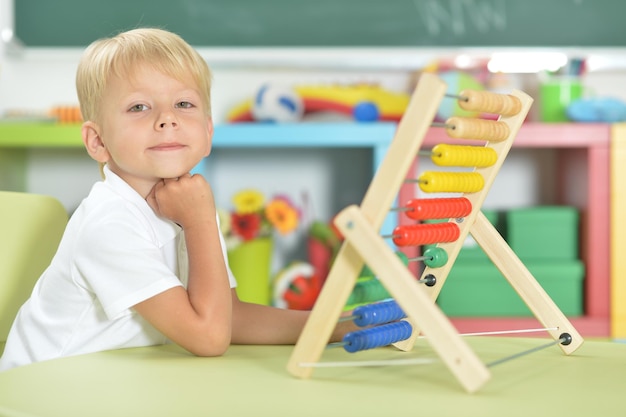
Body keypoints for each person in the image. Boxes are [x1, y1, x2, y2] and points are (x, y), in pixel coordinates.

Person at [0, 27, 355, 371]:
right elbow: (209, 337)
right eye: (139, 107)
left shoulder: (186, 201)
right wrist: (200, 220)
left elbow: (230, 317)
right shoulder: (110, 222)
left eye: (184, 103)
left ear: (208, 130)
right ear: (98, 142)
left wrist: (334, 325)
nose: (167, 119)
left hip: (112, 381)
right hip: (46, 388)